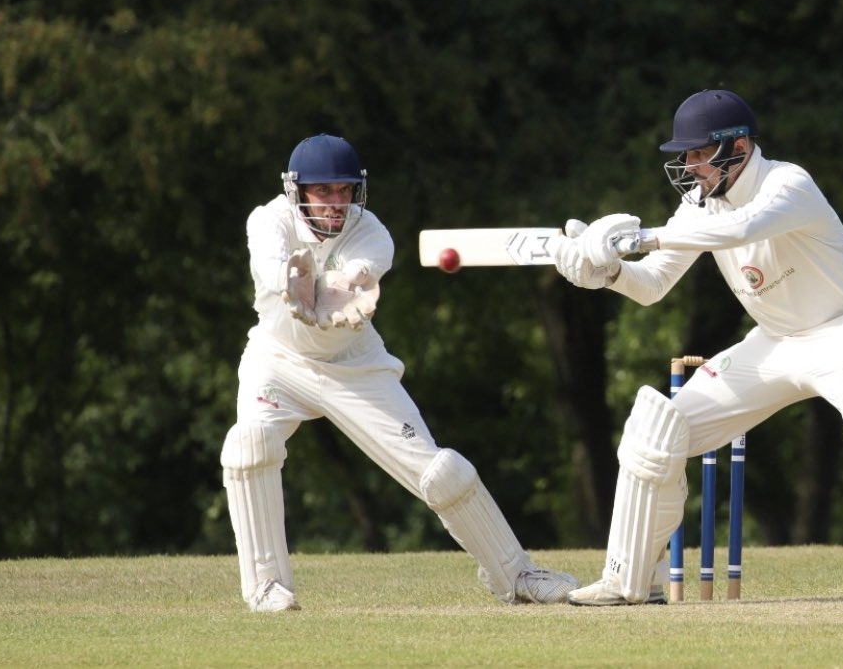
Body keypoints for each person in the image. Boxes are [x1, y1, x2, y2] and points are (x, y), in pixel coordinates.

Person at [552, 90, 843, 607]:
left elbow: (743, 227)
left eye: (699, 153)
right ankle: (629, 581)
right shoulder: (698, 204)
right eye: (686, 155)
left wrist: (639, 239)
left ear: (737, 146)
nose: (690, 166)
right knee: (657, 432)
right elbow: (651, 287)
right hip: (776, 344)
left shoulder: (789, 183)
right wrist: (608, 272)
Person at [221, 133, 579, 612]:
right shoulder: (268, 221)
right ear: (297, 190)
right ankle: (268, 587)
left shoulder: (371, 232)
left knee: (441, 473)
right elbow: (274, 272)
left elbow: (362, 270)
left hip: (355, 364)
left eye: (344, 191)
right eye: (323, 192)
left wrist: (346, 282)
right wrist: (299, 284)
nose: (335, 204)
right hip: (279, 360)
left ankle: (517, 576)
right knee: (249, 446)